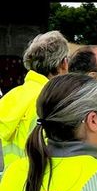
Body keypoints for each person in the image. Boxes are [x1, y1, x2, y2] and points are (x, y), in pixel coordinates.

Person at [0, 31, 69, 179]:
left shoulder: (12, 96)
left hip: (10, 183)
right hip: (39, 187)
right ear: (63, 63)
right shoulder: (51, 101)